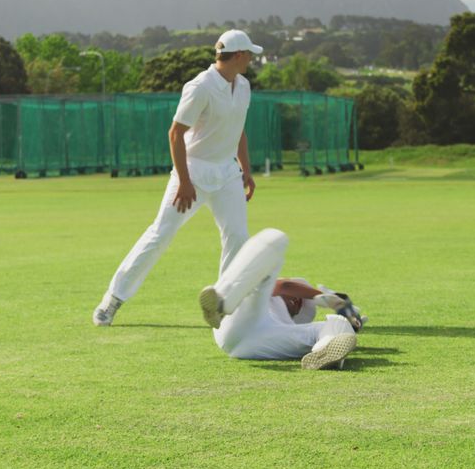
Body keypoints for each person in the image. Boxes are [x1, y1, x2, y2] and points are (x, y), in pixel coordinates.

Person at [93, 30, 263, 326]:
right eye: (249, 54)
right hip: (192, 174)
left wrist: (245, 170)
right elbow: (175, 134)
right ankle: (113, 298)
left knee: (238, 237)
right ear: (238, 56)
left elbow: (239, 131)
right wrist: (184, 181)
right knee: (160, 235)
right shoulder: (199, 87)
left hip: (227, 175)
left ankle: (222, 305)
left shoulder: (244, 86)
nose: (251, 59)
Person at [198, 228, 366, 370]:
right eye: (298, 297)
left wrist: (348, 323)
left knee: (338, 323)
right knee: (275, 238)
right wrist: (328, 300)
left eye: (299, 305)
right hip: (234, 322)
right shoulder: (266, 291)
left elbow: (289, 293)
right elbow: (284, 285)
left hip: (257, 344)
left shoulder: (288, 323)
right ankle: (222, 302)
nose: (295, 301)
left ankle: (326, 351)